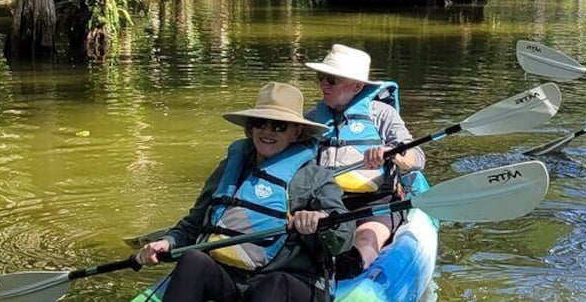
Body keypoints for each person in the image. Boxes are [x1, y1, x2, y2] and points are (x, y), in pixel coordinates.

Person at [134, 82, 355, 302]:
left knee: (272, 285)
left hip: (289, 282)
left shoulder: (317, 177)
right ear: (250, 128)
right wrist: (169, 242)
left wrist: (322, 220)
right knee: (193, 259)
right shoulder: (230, 168)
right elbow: (195, 222)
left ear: (296, 133)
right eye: (260, 123)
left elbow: (343, 236)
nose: (268, 131)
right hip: (233, 280)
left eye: (279, 126)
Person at [305, 43, 425, 277]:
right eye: (321, 77)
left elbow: (417, 158)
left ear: (357, 86)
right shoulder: (311, 120)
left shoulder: (382, 114)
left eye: (331, 79)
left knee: (368, 238)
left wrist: (390, 153)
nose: (322, 84)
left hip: (373, 204)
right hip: (325, 203)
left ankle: (353, 264)